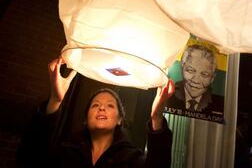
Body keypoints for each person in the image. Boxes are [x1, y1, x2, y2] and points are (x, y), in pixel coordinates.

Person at [17, 57, 175, 167]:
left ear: (120, 119)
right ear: (86, 118)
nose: (101, 108)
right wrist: (55, 100)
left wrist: (157, 118)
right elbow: (29, 157)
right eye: (95, 105)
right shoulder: (66, 152)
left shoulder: (131, 159)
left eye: (110, 106)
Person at [167, 44, 224, 114]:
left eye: (204, 74)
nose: (196, 80)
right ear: (182, 66)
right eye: (190, 70)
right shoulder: (168, 96)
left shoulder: (220, 105)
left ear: (212, 78)